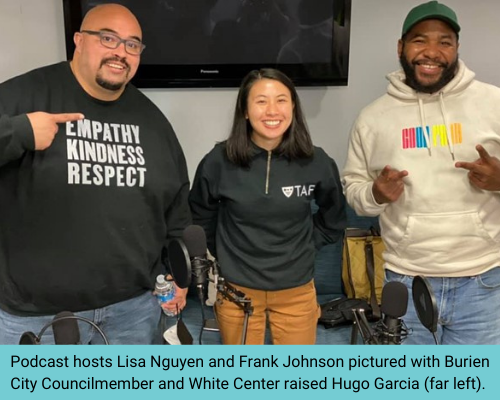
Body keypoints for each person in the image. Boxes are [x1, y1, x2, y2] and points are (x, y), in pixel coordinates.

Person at [0, 4, 190, 344]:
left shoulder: (154, 122)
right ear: (78, 40)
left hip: (132, 311)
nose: (121, 51)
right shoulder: (21, 96)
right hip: (37, 315)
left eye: (133, 44)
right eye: (108, 38)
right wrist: (20, 133)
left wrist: (178, 274)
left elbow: (174, 209)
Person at [342, 1, 500, 344]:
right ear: (401, 47)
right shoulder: (373, 118)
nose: (432, 51)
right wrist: (376, 194)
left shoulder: (494, 103)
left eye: (445, 42)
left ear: (457, 48)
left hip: (483, 283)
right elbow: (354, 191)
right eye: (419, 40)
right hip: (406, 283)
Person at [189, 68, 346, 344]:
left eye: (281, 100)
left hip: (296, 292)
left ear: (293, 108)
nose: (272, 110)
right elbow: (200, 216)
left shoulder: (317, 162)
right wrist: (224, 254)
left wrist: (307, 244)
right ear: (246, 111)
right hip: (236, 292)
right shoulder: (218, 161)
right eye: (261, 101)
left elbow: (334, 218)